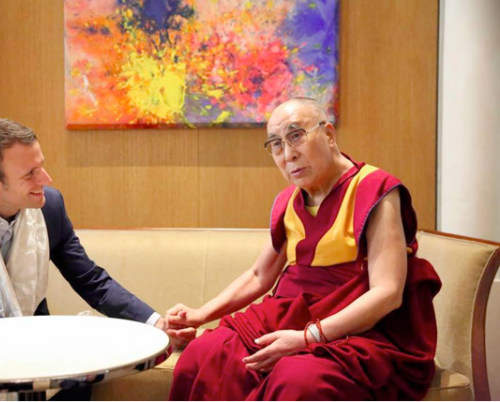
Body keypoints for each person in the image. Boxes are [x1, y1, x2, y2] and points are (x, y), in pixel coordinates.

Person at [166, 98, 441, 400]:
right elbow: (260, 275)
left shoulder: (374, 190)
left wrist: (307, 338)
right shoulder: (289, 201)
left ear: (329, 134)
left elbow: (387, 292)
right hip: (291, 316)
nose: (288, 153)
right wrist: (200, 314)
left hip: (361, 331)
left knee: (298, 381)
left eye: (296, 135)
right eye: (276, 145)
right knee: (204, 354)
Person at [0, 118, 192, 400]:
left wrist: (156, 323)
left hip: (29, 335)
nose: (46, 179)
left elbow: (89, 278)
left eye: (41, 166)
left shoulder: (50, 205)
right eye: (30, 173)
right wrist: (33, 339)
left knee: (82, 371)